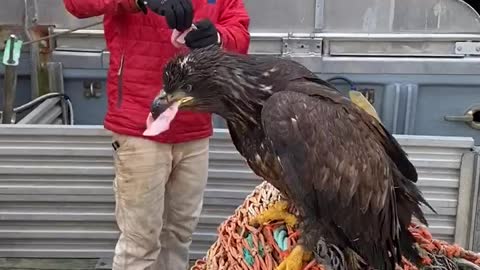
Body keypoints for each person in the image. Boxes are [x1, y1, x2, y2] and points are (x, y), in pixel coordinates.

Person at [62, 0, 250, 269]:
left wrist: (219, 38)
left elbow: (239, 32)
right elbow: (76, 4)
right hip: (139, 127)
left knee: (179, 236)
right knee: (141, 243)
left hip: (194, 127)